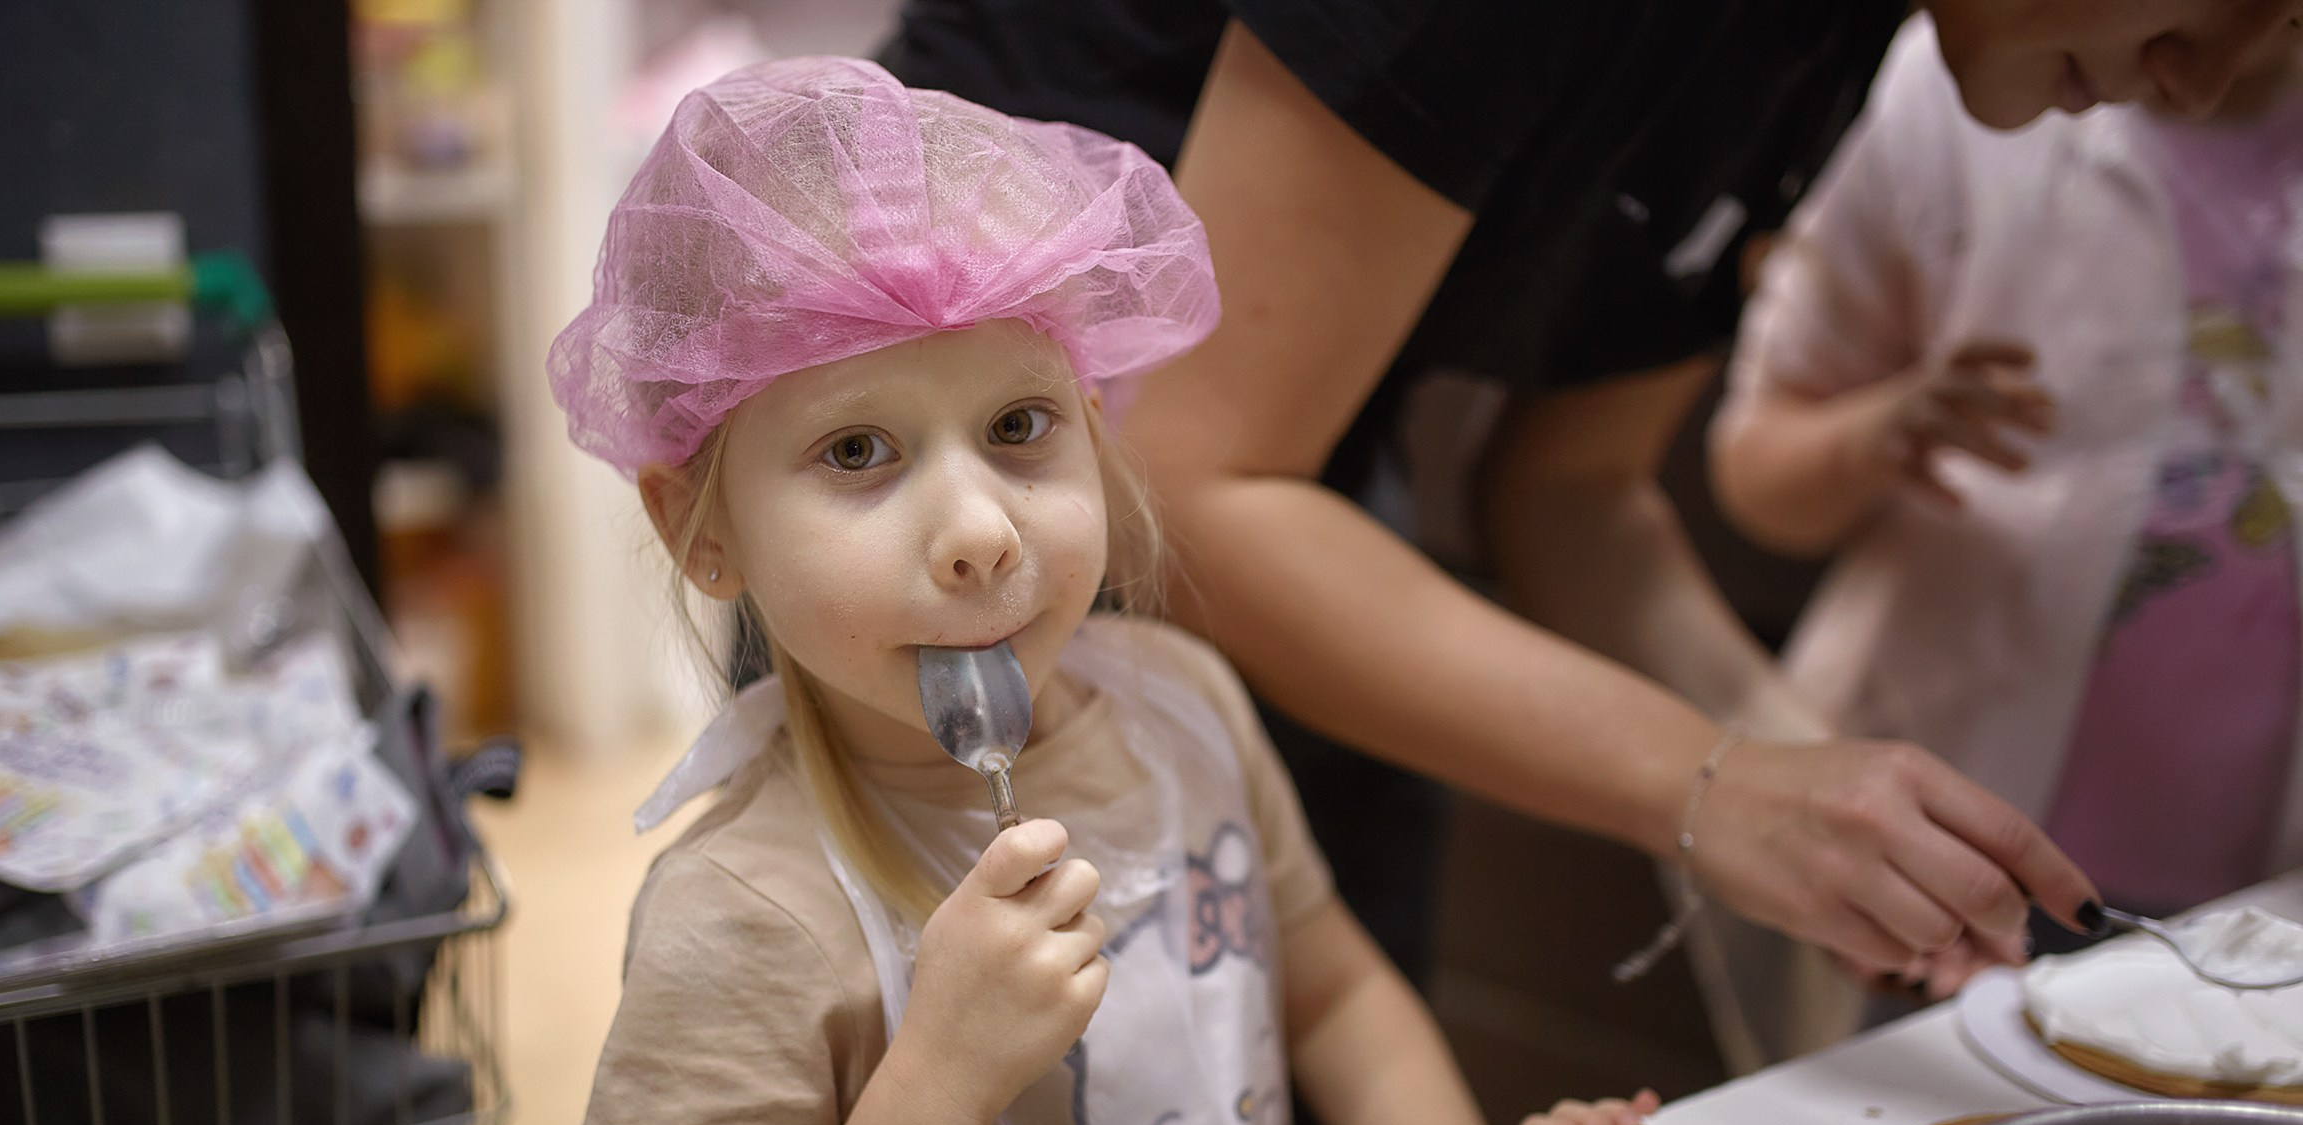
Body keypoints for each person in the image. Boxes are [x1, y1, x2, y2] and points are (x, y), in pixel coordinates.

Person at [549, 61, 1654, 1125]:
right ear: (698, 531)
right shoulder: (740, 913)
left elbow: (1338, 1002)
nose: (979, 533)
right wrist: (941, 1076)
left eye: (1021, 428)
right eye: (857, 454)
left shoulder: (1189, 709)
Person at [883, 0, 2298, 1010]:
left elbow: (1572, 491)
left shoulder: (1836, 42)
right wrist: (1708, 784)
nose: (2209, 71)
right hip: (956, 432)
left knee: (1299, 1044)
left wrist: (1808, 785)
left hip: (1251, 479)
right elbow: (1192, 481)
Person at [1710, 13, 2303, 992]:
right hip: (1955, 884)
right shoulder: (1964, 76)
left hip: (2256, 891)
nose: (2202, 79)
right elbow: (1754, 468)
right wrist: (1880, 432)